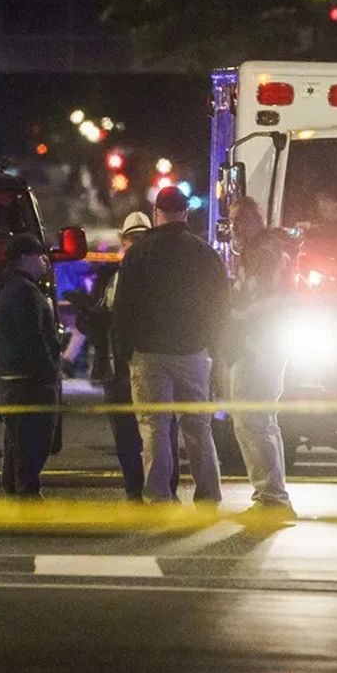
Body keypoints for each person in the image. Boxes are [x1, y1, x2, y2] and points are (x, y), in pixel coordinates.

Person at [113, 186, 229, 503]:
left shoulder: (139, 254)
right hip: (193, 352)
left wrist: (122, 352)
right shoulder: (206, 253)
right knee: (198, 426)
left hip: (149, 354)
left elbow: (124, 308)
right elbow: (220, 306)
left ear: (156, 214)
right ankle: (209, 493)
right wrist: (216, 350)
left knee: (155, 427)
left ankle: (158, 495)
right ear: (186, 214)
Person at [76, 211, 180, 500]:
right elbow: (95, 325)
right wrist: (90, 316)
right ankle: (135, 491)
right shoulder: (110, 277)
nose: (135, 244)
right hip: (116, 369)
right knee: (127, 437)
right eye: (131, 239)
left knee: (160, 432)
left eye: (141, 238)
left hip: (148, 365)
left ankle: (165, 491)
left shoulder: (159, 278)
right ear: (123, 242)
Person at [227, 197, 298, 519]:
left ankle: (271, 498)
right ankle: (271, 495)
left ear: (253, 220)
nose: (233, 228)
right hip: (267, 344)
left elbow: (264, 300)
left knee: (252, 420)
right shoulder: (271, 249)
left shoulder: (262, 254)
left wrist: (236, 313)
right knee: (261, 421)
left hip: (259, 345)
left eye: (238, 220)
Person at [0, 233, 61, 498]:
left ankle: (15, 489)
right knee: (33, 440)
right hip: (29, 381)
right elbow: (33, 338)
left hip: (11, 379)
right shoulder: (24, 292)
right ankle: (27, 495)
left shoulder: (8, 288)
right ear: (24, 259)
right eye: (38, 255)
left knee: (17, 440)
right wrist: (48, 372)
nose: (44, 260)